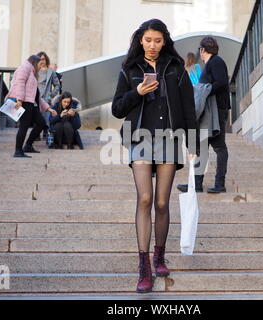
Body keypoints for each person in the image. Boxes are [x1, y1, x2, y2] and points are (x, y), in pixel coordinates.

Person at [112, 19, 198, 294]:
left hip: (170, 139)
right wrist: (136, 92)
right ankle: (144, 267)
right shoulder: (129, 69)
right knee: (145, 199)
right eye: (148, 40)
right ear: (140, 40)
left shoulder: (176, 69)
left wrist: (194, 143)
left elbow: (187, 107)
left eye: (158, 40)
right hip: (140, 139)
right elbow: (117, 108)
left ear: (164, 41)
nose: (152, 45)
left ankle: (159, 256)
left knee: (162, 202)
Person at [177, 36, 230, 193]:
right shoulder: (209, 64)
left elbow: (221, 83)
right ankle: (196, 184)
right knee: (202, 146)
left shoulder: (216, 61)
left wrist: (204, 90)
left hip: (217, 110)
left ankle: (220, 184)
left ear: (202, 50)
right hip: (210, 112)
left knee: (219, 147)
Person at [6, 55, 57, 158]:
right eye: (40, 64)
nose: (40, 67)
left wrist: (48, 108)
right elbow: (19, 83)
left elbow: (36, 95)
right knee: (23, 126)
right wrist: (20, 99)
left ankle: (28, 146)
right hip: (24, 102)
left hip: (31, 104)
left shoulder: (31, 72)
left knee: (41, 123)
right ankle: (18, 151)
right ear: (34, 62)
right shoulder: (24, 68)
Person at [36, 52, 61, 139]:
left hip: (46, 97)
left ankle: (45, 131)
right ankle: (36, 134)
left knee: (46, 116)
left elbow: (57, 85)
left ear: (46, 59)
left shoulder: (51, 72)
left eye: (43, 59)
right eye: (39, 59)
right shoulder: (35, 70)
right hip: (35, 97)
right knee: (37, 116)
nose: (41, 61)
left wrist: (51, 95)